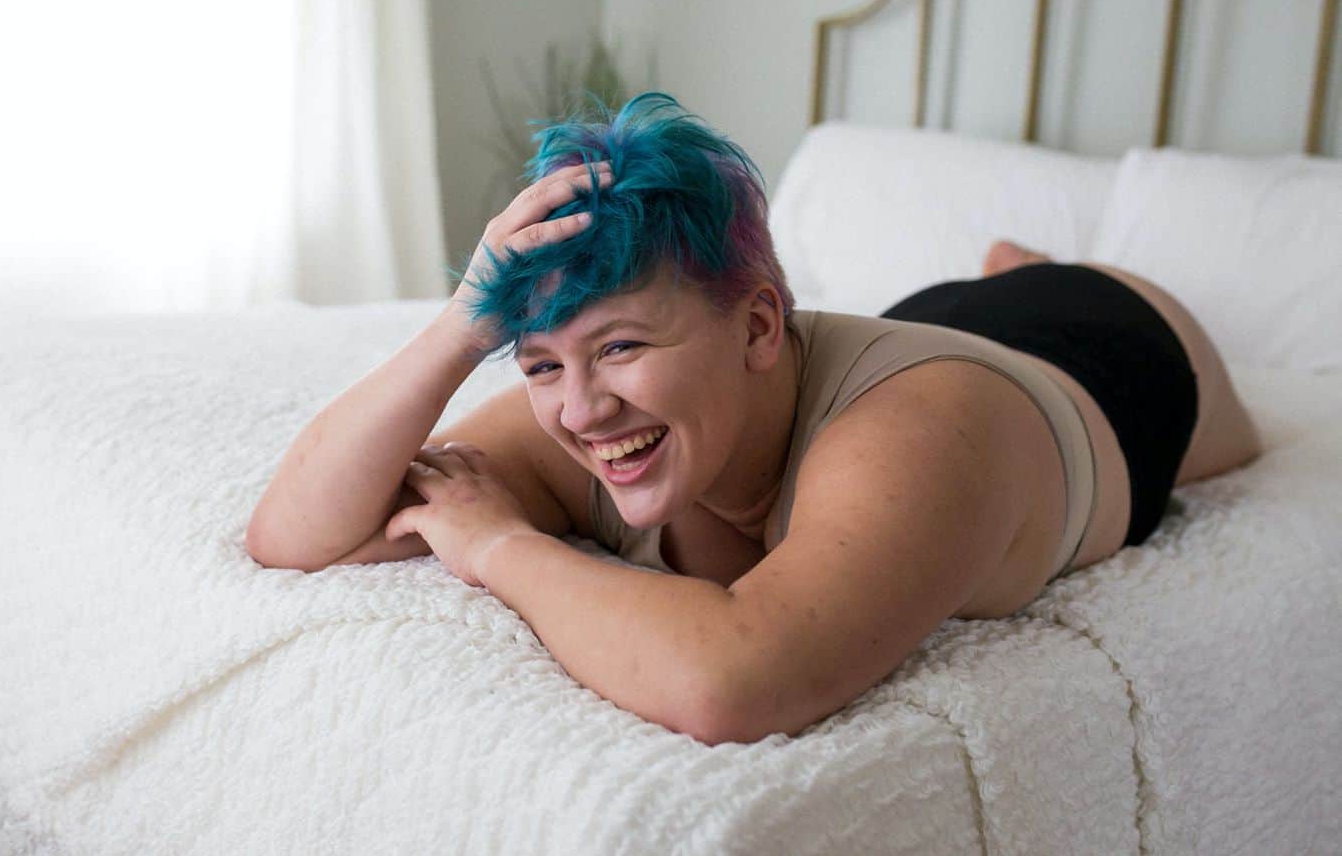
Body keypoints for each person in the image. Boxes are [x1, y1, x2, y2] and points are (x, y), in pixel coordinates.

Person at [245, 92, 1262, 745]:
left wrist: (500, 544)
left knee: (1204, 418)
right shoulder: (614, 400)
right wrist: (462, 330)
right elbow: (292, 536)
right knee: (937, 312)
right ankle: (1001, 269)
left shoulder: (917, 434)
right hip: (907, 340)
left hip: (1105, 347)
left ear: (759, 324)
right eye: (544, 362)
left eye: (623, 347)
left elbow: (733, 680)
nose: (582, 410)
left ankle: (1034, 268)